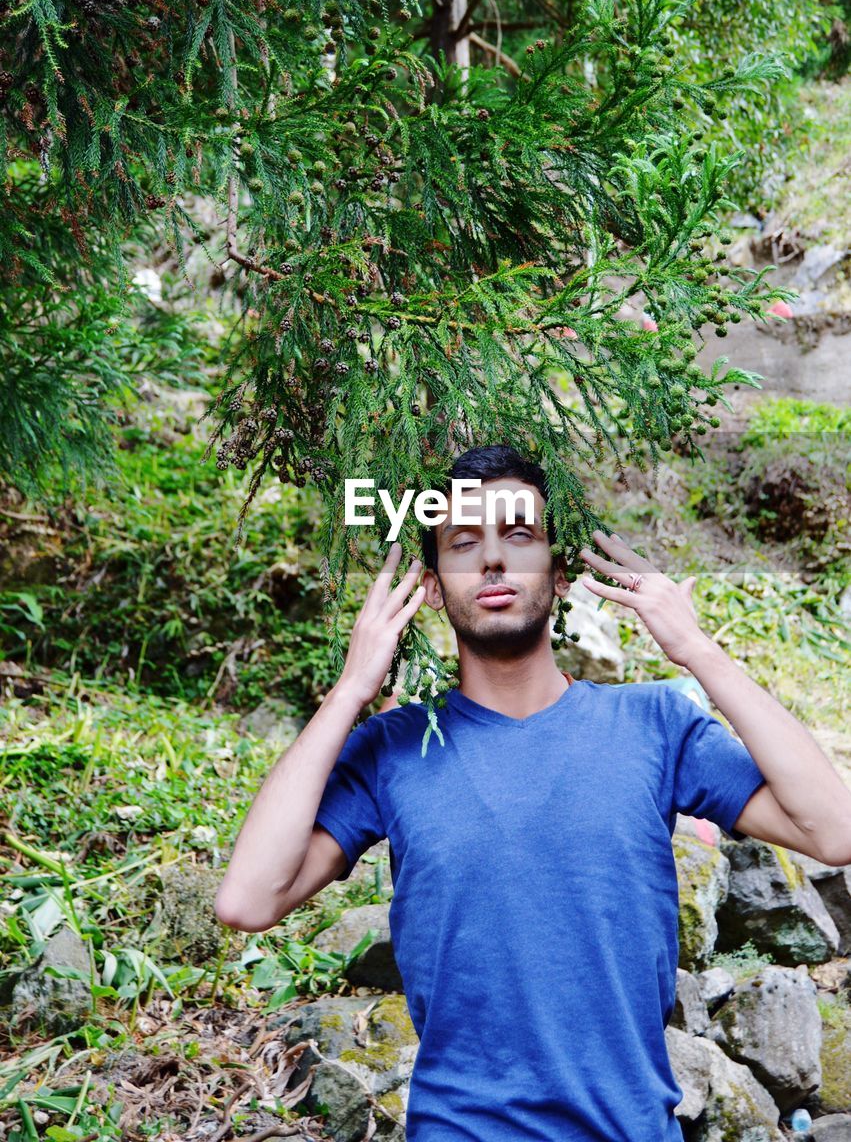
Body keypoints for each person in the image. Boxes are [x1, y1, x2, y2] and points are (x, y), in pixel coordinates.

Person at [215, 444, 851, 1142]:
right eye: (463, 542)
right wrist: (349, 691)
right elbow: (247, 899)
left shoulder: (656, 725)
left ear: (562, 570)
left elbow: (833, 831)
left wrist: (697, 650)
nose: (492, 561)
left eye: (519, 535)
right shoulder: (394, 747)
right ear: (431, 585)